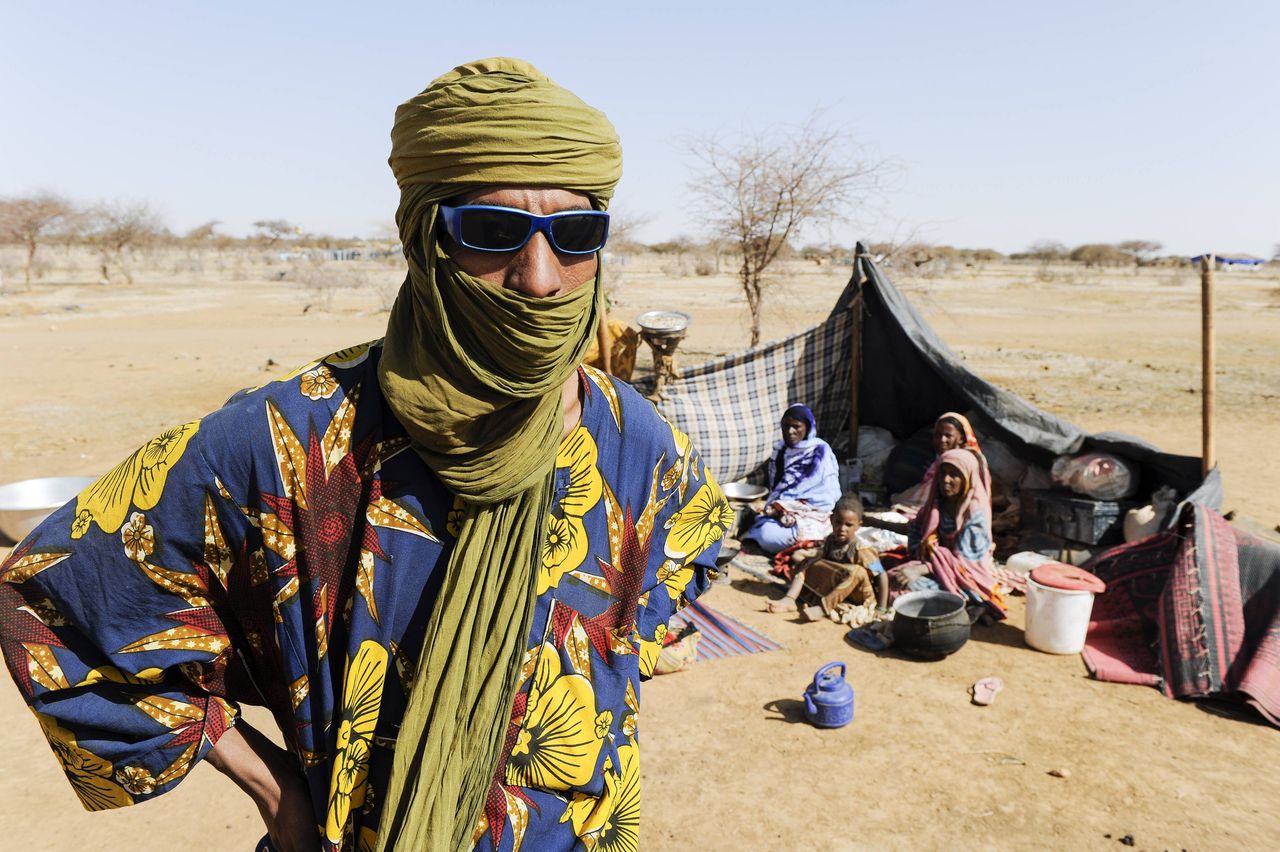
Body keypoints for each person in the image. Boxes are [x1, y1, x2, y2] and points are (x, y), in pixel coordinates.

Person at [0, 58, 733, 852]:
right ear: (425, 236)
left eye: (576, 233)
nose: (538, 277)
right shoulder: (293, 438)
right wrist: (275, 793)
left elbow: (668, 584)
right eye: (492, 232)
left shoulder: (639, 441)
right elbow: (52, 604)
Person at [888, 448, 1007, 620]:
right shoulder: (936, 504)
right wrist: (921, 555)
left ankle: (973, 605)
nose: (946, 480)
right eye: (942, 473)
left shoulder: (974, 516)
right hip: (938, 567)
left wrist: (923, 568)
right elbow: (916, 528)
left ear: (967, 478)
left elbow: (965, 565)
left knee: (909, 588)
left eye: (954, 475)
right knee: (889, 576)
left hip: (964, 577)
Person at [765, 498, 888, 618]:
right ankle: (789, 599)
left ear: (858, 526)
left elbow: (881, 575)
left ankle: (823, 608)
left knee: (857, 572)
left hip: (860, 595)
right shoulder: (831, 540)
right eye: (838, 522)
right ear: (831, 520)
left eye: (849, 525)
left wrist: (881, 608)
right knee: (809, 561)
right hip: (839, 587)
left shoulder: (862, 549)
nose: (842, 529)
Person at [744, 403, 841, 554]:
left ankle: (805, 543)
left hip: (812, 513)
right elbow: (777, 487)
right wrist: (780, 507)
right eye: (786, 426)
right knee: (755, 521)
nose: (790, 431)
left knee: (766, 534)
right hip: (782, 510)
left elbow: (826, 498)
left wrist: (790, 508)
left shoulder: (820, 452)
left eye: (796, 426)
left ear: (808, 427)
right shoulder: (781, 449)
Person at [891, 411, 990, 518]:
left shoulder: (965, 461)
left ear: (961, 438)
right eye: (938, 435)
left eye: (948, 436)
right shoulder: (943, 459)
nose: (942, 440)